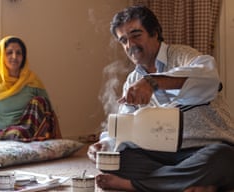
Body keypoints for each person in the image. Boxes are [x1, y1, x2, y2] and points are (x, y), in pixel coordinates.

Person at [87, 5, 234, 192]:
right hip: (162, 155)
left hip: (204, 148)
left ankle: (134, 185)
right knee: (113, 161)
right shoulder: (132, 80)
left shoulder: (182, 55)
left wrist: (153, 82)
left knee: (223, 158)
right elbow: (125, 126)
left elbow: (209, 78)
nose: (130, 45)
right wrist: (104, 144)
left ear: (155, 33)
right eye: (123, 40)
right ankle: (193, 183)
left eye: (136, 35)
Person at [0, 36, 61, 142]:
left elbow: (49, 111)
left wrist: (60, 140)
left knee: (41, 101)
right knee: (18, 132)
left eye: (19, 53)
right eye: (9, 52)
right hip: (4, 133)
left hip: (31, 131)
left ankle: (40, 140)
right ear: (1, 56)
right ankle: (34, 142)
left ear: (23, 57)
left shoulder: (32, 79)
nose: (14, 56)